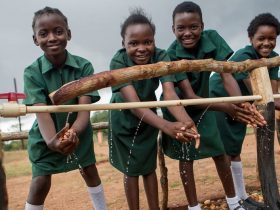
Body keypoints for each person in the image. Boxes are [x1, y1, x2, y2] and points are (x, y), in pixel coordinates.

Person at [161, 2, 266, 210]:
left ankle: (234, 202)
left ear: (202, 25)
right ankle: (193, 207)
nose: (188, 33)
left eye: (194, 27)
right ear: (173, 29)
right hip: (180, 107)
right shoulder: (170, 54)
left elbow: (226, 75)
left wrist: (240, 103)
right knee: (186, 156)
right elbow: (189, 95)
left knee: (219, 152)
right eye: (181, 28)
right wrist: (227, 107)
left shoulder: (213, 38)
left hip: (206, 104)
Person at [108, 8, 199, 210]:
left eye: (147, 42)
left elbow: (169, 93)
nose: (141, 48)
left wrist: (186, 122)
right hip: (124, 118)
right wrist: (166, 126)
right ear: (123, 44)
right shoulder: (118, 61)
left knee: (149, 168)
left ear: (154, 41)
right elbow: (133, 104)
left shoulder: (161, 56)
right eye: (133, 43)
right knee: (131, 170)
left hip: (149, 117)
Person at [23, 7, 106, 210]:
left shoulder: (84, 67)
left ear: (68, 34)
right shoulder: (32, 73)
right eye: (43, 33)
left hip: (78, 132)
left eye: (58, 31)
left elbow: (84, 111)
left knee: (89, 171)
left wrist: (72, 134)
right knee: (41, 181)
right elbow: (41, 113)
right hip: (46, 135)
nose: (52, 38)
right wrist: (52, 142)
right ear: (35, 39)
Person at [209, 12, 280, 209]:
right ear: (251, 39)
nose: (266, 43)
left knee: (236, 147)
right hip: (222, 98)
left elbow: (271, 95)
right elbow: (259, 93)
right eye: (261, 38)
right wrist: (270, 101)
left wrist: (272, 100)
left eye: (272, 39)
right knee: (228, 148)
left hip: (245, 102)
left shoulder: (274, 59)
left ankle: (242, 195)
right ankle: (234, 199)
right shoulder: (245, 55)